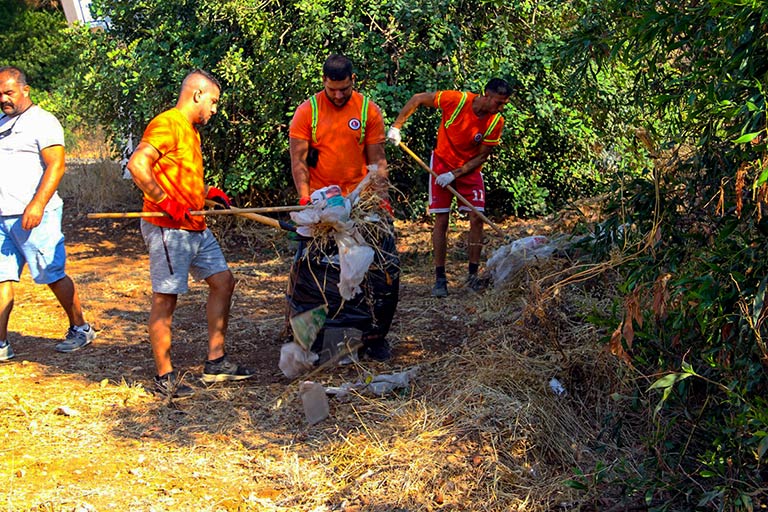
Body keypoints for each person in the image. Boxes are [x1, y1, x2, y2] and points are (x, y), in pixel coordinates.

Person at [126, 69, 253, 399]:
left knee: (223, 281)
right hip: (169, 229)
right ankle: (164, 377)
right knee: (166, 298)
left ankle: (216, 362)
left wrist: (208, 193)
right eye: (213, 101)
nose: (214, 109)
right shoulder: (167, 123)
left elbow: (178, 175)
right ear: (197, 94)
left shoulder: (191, 131)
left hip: (194, 225)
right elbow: (138, 165)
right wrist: (166, 202)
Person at [287, 54, 398, 362]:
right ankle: (306, 335)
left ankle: (374, 338)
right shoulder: (306, 112)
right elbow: (299, 162)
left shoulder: (367, 110)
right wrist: (305, 199)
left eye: (344, 89)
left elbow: (376, 161)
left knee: (378, 271)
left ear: (353, 81)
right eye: (332, 89)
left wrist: (381, 199)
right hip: (322, 203)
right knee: (309, 273)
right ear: (324, 81)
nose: (337, 95)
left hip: (359, 202)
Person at [0, 65, 96, 362]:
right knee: (2, 280)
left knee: (51, 275)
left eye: (9, 92)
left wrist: (37, 204)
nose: (3, 98)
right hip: (2, 217)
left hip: (34, 215)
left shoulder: (43, 122)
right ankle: (1, 343)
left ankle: (81, 328)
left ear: (25, 89)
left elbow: (56, 165)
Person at [387, 78, 512, 297]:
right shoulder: (457, 100)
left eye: (503, 104)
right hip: (442, 162)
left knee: (477, 217)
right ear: (486, 95)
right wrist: (396, 127)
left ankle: (472, 276)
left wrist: (455, 174)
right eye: (498, 103)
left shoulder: (495, 122)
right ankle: (440, 278)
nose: (500, 108)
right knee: (442, 219)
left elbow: (482, 155)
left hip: (468, 169)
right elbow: (418, 99)